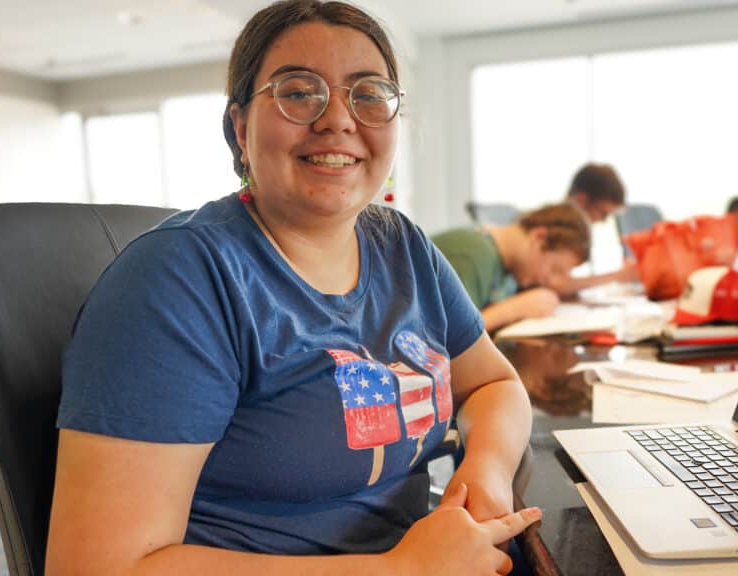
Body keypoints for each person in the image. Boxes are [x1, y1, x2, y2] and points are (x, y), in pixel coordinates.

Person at [45, 2, 540, 575]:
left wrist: (487, 467)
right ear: (240, 128)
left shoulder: (402, 245)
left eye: (369, 93)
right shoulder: (179, 281)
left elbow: (495, 383)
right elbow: (94, 566)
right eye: (299, 92)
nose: (338, 119)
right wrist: (397, 571)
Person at [432, 203, 590, 332]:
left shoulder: (506, 268)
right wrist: (515, 308)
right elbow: (447, 336)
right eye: (554, 268)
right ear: (539, 238)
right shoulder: (471, 256)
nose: (548, 279)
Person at [548, 162, 639, 295]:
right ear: (581, 200)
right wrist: (618, 276)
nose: (602, 221)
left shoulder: (570, 231)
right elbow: (554, 283)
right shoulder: (555, 228)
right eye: (603, 213)